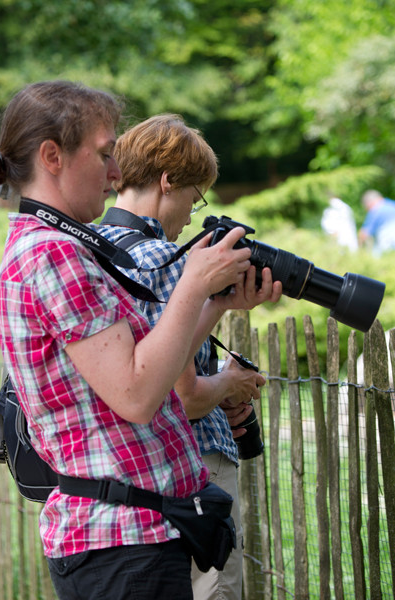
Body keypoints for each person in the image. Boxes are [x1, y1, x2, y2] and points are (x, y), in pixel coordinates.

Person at [0, 80, 280, 600]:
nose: (117, 173)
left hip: (126, 541)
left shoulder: (58, 245)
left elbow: (145, 369)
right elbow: (139, 396)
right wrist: (192, 282)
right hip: (121, 547)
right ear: (52, 156)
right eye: (104, 154)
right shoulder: (54, 254)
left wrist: (213, 304)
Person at [96, 114, 282, 600]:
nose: (190, 216)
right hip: (191, 471)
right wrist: (231, 385)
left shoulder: (92, 248)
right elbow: (183, 398)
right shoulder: (161, 258)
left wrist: (216, 306)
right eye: (194, 197)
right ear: (167, 181)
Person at [358, 189, 395, 255]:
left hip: (388, 235)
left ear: (369, 203)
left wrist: (359, 247)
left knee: (377, 254)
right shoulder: (391, 204)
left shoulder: (375, 209)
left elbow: (364, 233)